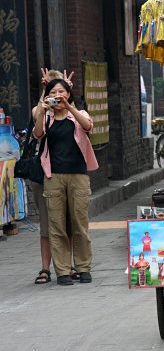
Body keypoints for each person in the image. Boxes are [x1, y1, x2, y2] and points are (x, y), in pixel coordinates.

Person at [34, 78, 99, 286]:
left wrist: (69, 106)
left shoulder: (78, 115)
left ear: (69, 94)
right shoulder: (46, 117)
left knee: (80, 224)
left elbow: (88, 126)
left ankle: (83, 267)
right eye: (54, 92)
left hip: (78, 175)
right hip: (53, 176)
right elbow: (37, 134)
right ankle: (62, 270)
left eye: (62, 91)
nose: (58, 95)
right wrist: (43, 109)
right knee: (57, 225)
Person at [32, 68, 76, 284]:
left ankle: (69, 266)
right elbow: (37, 125)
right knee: (47, 224)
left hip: (68, 173)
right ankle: (45, 268)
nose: (56, 93)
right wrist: (44, 97)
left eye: (60, 88)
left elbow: (81, 124)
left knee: (70, 222)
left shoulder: (70, 110)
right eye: (51, 87)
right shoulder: (41, 110)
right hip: (44, 174)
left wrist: (68, 94)